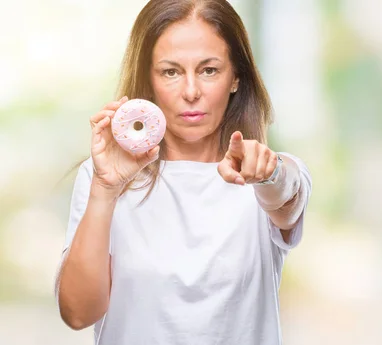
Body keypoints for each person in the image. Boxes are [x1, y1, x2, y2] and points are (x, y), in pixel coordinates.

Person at [54, 1, 311, 344]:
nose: (191, 92)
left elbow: (286, 193)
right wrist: (105, 188)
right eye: (171, 72)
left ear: (236, 77)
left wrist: (270, 173)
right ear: (149, 78)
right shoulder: (102, 176)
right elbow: (77, 314)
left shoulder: (265, 173)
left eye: (209, 70)